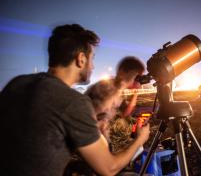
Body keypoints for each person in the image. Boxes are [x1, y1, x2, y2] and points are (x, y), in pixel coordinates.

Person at [0, 24, 150, 176]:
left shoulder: (16, 83)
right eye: (92, 59)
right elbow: (109, 168)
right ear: (81, 59)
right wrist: (140, 139)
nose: (92, 66)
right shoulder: (73, 102)